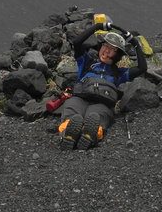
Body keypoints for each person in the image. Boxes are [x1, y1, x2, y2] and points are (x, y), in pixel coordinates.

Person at [58, 20, 147, 150]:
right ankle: (68, 135)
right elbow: (76, 42)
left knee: (96, 117)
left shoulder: (120, 73)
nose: (106, 51)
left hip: (102, 104)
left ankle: (89, 136)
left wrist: (134, 43)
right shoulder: (87, 62)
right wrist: (97, 27)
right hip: (80, 97)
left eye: (112, 49)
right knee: (72, 113)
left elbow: (142, 68)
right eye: (105, 45)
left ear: (118, 55)